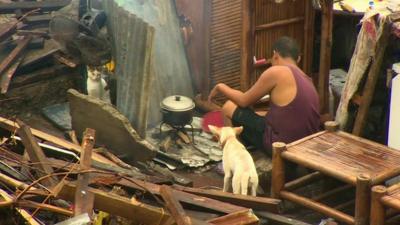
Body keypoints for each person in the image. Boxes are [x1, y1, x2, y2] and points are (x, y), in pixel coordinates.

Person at [208, 36, 320, 156]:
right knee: (259, 113)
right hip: (305, 146)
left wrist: (221, 87)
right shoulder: (308, 80)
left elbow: (244, 100)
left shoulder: (277, 71)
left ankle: (235, 156)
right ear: (298, 59)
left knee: (229, 107)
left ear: (275, 55)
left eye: (272, 59)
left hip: (282, 147)